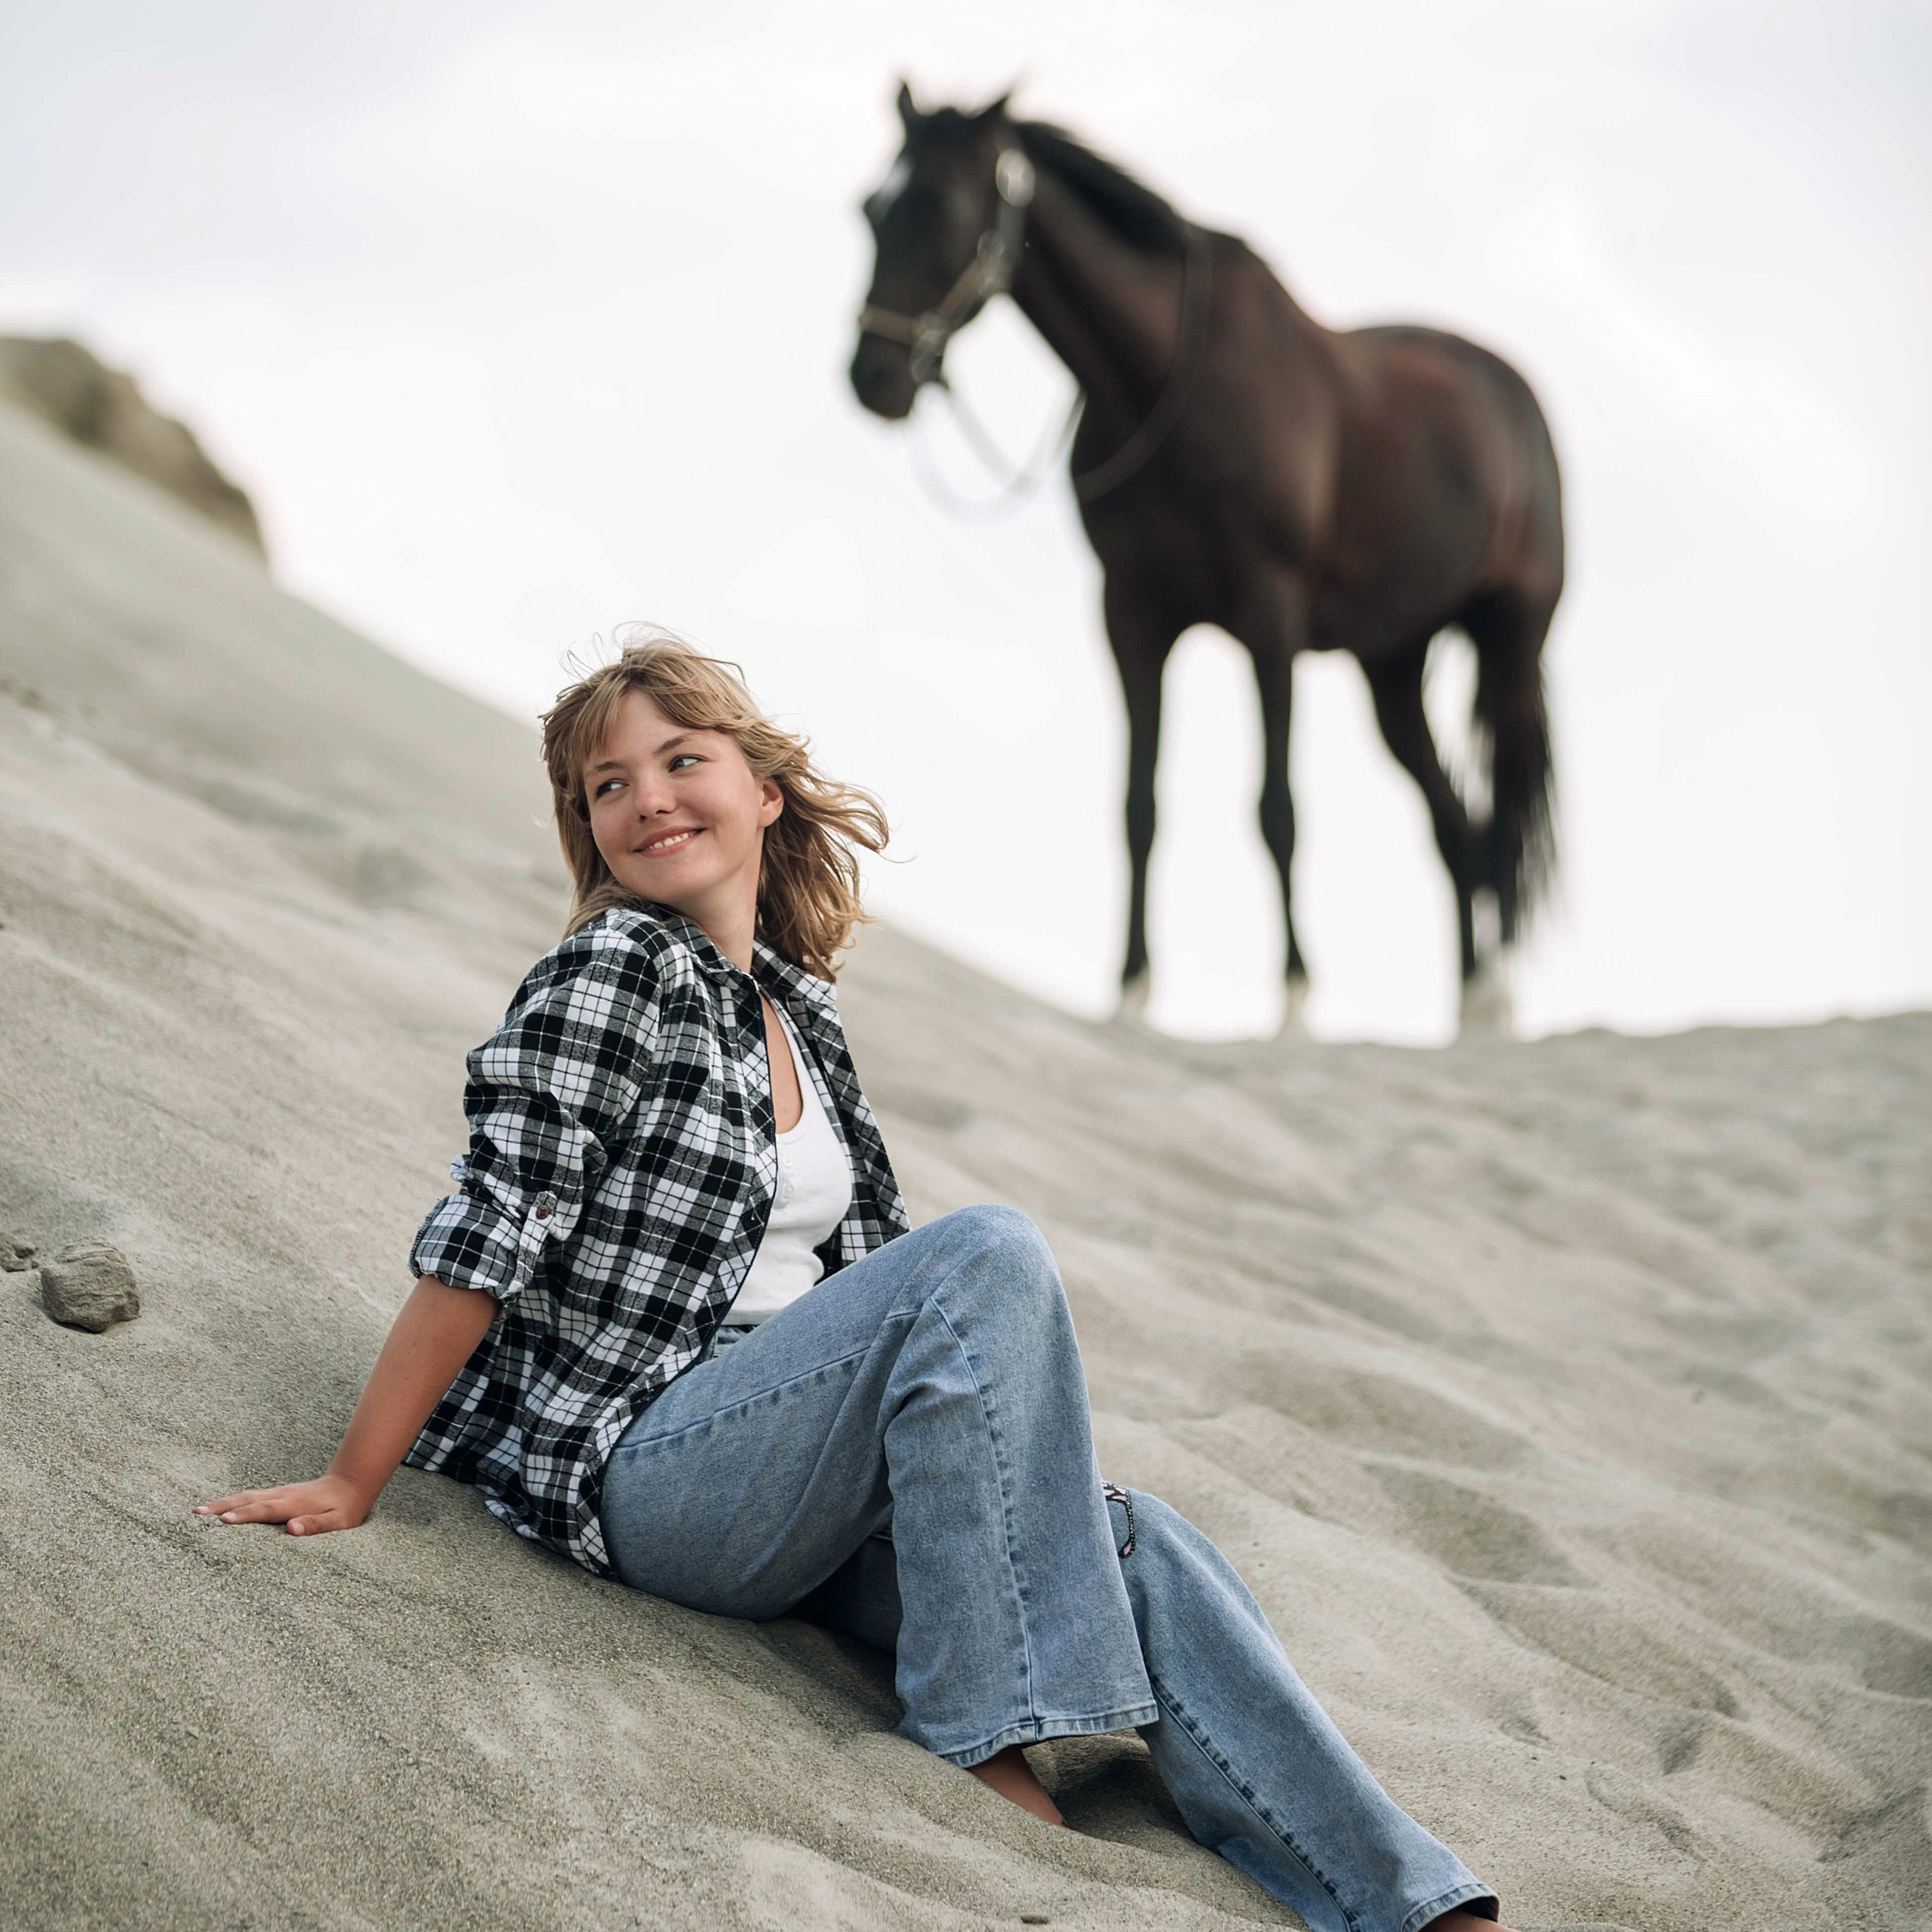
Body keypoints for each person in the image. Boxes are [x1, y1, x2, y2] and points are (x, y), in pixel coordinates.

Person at [197, 637, 1512, 1932]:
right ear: (588, 830)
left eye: (680, 759)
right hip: (645, 1469)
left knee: (1140, 1542)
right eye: (606, 784)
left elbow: (872, 1296)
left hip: (801, 1482)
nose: (646, 797)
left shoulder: (799, 1012)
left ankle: (1414, 1905)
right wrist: (352, 1479)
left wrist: (1008, 1506)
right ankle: (972, 1727)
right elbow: (495, 1222)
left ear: (763, 791)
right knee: (985, 1254)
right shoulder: (614, 973)